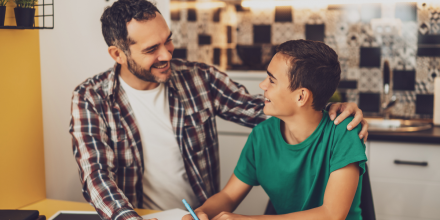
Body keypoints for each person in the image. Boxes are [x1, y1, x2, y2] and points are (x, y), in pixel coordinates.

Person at [69, 1, 369, 220]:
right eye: (151, 50)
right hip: (140, 215)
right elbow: (96, 176)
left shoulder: (198, 77)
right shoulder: (90, 98)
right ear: (118, 54)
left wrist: (327, 104)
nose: (166, 54)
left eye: (168, 40)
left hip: (198, 213)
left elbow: (272, 109)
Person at [182, 40, 367, 220]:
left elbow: (332, 215)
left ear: (301, 96)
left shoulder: (344, 131)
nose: (262, 85)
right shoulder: (261, 136)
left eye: (271, 80)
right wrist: (201, 213)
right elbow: (229, 196)